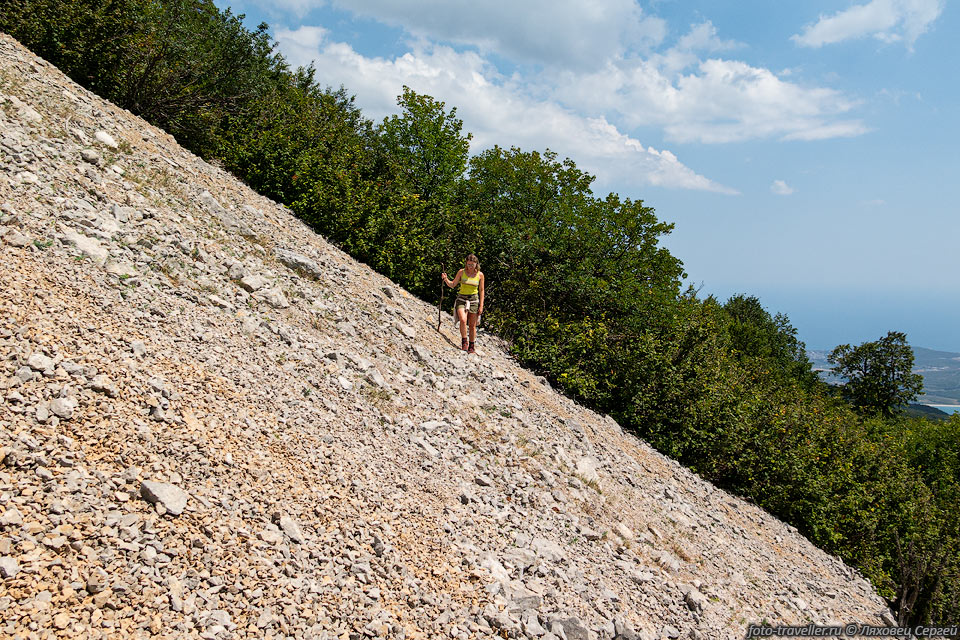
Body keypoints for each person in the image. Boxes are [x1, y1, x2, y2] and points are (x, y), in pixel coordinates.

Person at [442, 254, 484, 353]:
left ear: (476, 264)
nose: (470, 267)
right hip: (461, 298)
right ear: (466, 263)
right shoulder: (461, 272)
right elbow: (453, 284)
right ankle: (464, 341)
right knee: (463, 320)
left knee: (472, 325)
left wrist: (481, 305)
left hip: (474, 300)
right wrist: (445, 279)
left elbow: (481, 290)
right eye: (468, 264)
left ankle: (472, 345)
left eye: (472, 265)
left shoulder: (480, 275)